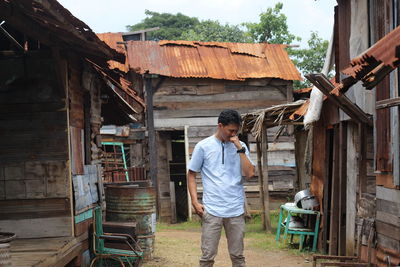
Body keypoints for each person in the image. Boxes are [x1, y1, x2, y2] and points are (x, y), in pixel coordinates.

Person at [188, 109, 255, 267]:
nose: (233, 134)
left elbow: (249, 174)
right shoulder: (203, 146)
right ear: (220, 126)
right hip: (212, 210)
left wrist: (239, 148)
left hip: (236, 210)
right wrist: (195, 202)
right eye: (231, 130)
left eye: (236, 131)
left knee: (238, 256)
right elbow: (191, 174)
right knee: (207, 257)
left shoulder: (241, 146)